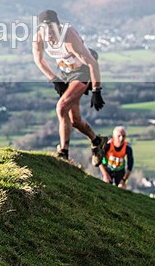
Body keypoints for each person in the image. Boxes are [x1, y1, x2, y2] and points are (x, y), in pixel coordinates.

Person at [32, 9, 108, 165]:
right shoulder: (39, 37)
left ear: (58, 27)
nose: (50, 36)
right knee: (75, 120)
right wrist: (54, 79)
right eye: (46, 32)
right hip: (66, 72)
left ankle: (63, 152)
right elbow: (39, 60)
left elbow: (92, 63)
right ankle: (97, 141)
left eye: (52, 31)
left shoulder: (69, 37)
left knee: (61, 107)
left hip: (83, 71)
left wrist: (96, 90)